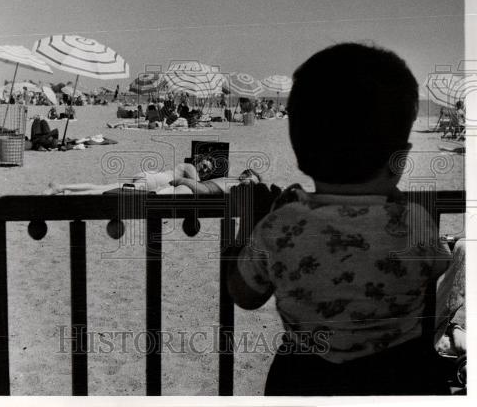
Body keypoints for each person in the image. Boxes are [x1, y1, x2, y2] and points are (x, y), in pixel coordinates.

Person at [227, 43, 453, 395]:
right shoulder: (414, 222)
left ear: (300, 153)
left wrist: (250, 227)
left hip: (305, 378)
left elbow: (244, 294)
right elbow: (437, 270)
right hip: (401, 377)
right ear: (401, 158)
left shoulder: (280, 225)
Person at [44, 160, 261, 196]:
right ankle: (64, 193)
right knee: (104, 192)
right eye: (205, 165)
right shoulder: (188, 166)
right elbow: (198, 185)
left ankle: (62, 187)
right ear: (199, 160)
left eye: (207, 168)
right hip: (149, 182)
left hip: (149, 178)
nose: (204, 169)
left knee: (102, 186)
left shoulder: (185, 168)